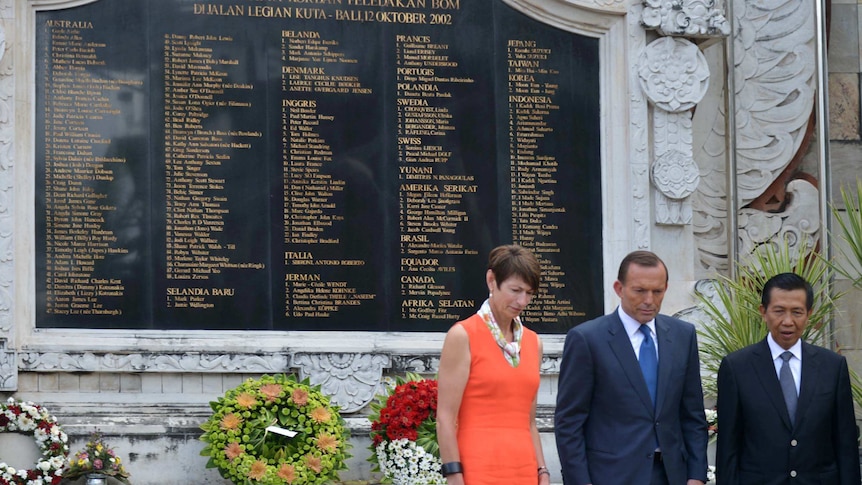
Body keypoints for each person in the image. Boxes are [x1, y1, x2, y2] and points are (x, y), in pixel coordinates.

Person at [554, 250, 708, 485]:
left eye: (657, 291)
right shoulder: (587, 339)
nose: (649, 300)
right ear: (619, 289)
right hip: (610, 475)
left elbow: (692, 414)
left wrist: (696, 475)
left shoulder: (682, 336)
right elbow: (569, 421)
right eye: (639, 290)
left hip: (671, 475)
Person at [715, 272, 860, 485]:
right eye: (779, 311)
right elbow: (728, 448)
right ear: (763, 312)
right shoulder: (737, 367)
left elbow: (845, 445)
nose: (788, 321)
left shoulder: (832, 366)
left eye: (797, 312)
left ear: (809, 314)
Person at [437, 244, 551, 485]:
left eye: (529, 293)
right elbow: (446, 417)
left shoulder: (533, 343)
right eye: (515, 290)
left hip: (524, 469)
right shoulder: (463, 335)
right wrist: (454, 475)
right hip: (477, 469)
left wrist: (543, 471)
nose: (523, 301)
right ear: (491, 280)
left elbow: (529, 421)